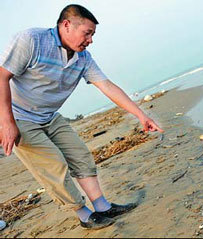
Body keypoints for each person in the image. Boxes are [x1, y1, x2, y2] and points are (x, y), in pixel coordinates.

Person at [0, 4, 164, 229]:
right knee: (54, 166)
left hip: (49, 116)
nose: (90, 40)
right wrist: (6, 122)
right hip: (19, 117)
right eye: (87, 33)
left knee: (80, 155)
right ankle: (84, 215)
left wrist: (141, 115)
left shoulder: (83, 58)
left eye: (93, 34)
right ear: (66, 25)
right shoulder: (31, 40)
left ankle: (103, 206)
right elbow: (1, 76)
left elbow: (106, 85)